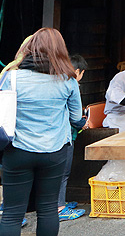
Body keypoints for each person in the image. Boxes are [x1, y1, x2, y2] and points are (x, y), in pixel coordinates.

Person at [0, 28, 82, 236]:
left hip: (17, 151)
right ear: (61, 50)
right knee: (48, 209)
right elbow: (76, 118)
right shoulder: (68, 80)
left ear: (31, 49)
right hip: (54, 152)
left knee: (12, 215)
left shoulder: (12, 78)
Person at [56, 54, 88, 222]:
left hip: (52, 135)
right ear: (77, 71)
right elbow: (74, 117)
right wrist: (83, 123)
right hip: (63, 135)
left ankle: (59, 203)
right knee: (63, 172)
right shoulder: (71, 84)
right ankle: (60, 208)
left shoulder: (54, 81)